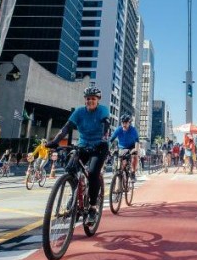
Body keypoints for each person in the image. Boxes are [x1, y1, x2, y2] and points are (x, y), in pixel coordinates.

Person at [46, 86, 110, 224]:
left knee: (93, 173)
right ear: (85, 100)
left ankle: (92, 208)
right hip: (83, 145)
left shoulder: (103, 110)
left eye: (93, 99)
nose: (90, 101)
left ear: (98, 100)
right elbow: (67, 127)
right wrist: (55, 141)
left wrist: (104, 138)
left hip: (99, 146)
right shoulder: (79, 112)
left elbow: (106, 124)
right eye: (88, 99)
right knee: (70, 170)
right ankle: (75, 197)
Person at [109, 114, 140, 180]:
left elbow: (137, 141)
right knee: (122, 164)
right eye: (123, 122)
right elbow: (111, 140)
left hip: (132, 146)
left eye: (126, 123)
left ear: (129, 123)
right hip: (122, 148)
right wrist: (107, 148)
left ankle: (133, 173)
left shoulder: (133, 130)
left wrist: (135, 149)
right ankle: (120, 178)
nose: (124, 124)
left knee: (134, 156)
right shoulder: (119, 129)